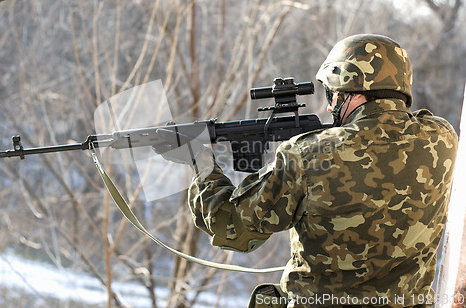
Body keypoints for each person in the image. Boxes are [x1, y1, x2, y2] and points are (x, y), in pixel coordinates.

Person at [156, 34, 458, 307]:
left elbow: (230, 227)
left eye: (331, 95)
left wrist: (200, 161)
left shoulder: (306, 154)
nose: (329, 107)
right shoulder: (443, 139)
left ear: (350, 91)